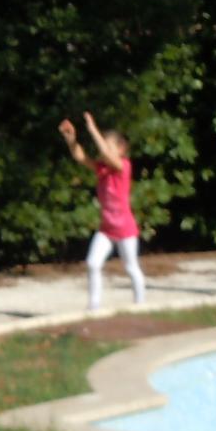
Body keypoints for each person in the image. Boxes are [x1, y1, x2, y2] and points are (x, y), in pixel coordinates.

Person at [58, 111, 147, 309]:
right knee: (93, 263)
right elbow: (80, 157)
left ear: (121, 149)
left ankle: (141, 305)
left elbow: (107, 154)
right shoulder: (102, 168)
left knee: (131, 267)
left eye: (108, 145)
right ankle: (94, 306)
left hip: (125, 230)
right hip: (106, 229)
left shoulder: (124, 166)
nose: (102, 150)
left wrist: (92, 128)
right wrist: (71, 140)